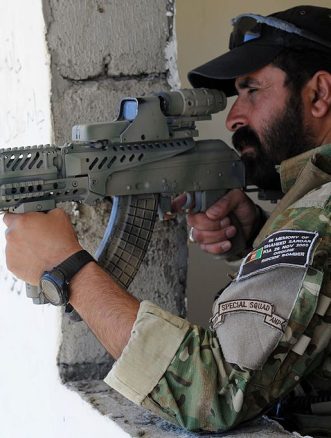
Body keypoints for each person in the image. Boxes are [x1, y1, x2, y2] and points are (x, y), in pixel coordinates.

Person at [3, 4, 331, 436]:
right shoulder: (312, 204)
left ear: (320, 92)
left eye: (251, 90)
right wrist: (258, 232)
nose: (233, 116)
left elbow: (209, 392)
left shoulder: (318, 213)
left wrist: (68, 267)